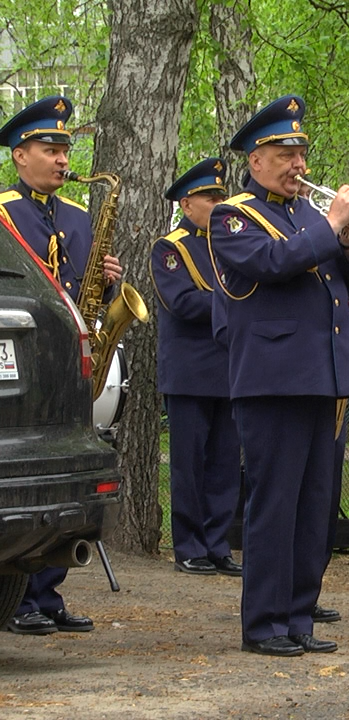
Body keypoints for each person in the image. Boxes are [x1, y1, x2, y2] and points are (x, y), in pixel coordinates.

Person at [210, 95, 349, 657]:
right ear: (255, 160)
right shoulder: (233, 216)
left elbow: (347, 279)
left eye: (301, 152)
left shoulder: (305, 215)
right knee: (274, 505)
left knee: (314, 506)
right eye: (285, 153)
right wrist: (332, 226)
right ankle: (265, 624)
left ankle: (300, 615)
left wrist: (348, 240)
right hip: (273, 378)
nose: (298, 164)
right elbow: (272, 265)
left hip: (323, 376)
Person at [0, 95, 120, 635]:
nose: (62, 160)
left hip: (68, 350)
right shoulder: (3, 209)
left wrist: (109, 279)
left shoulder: (76, 215)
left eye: (65, 150)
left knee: (65, 468)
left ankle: (47, 596)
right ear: (19, 154)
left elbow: (84, 281)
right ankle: (21, 598)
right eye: (50, 149)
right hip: (25, 353)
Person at [150, 158, 241, 578]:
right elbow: (183, 303)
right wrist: (240, 305)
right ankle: (188, 546)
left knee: (225, 464)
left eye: (222, 196)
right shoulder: (170, 248)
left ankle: (218, 544)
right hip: (190, 372)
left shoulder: (230, 244)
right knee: (189, 465)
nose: (219, 203)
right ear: (187, 204)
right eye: (210, 197)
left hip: (230, 370)